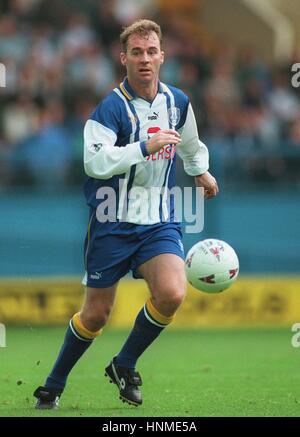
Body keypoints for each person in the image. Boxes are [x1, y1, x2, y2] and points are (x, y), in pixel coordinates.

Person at [33, 18, 218, 409]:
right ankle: (54, 383)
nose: (145, 59)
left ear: (162, 56)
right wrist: (143, 148)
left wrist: (200, 169)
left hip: (158, 219)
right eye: (137, 52)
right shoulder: (110, 109)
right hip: (111, 221)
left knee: (171, 293)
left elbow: (189, 142)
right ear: (124, 58)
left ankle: (125, 363)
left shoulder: (178, 102)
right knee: (96, 315)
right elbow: (94, 163)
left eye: (152, 52)